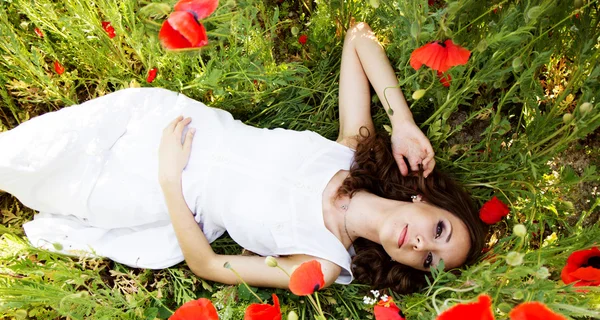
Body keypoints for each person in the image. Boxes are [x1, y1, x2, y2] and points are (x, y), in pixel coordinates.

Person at [0, 22, 485, 294]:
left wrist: (170, 180)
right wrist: (401, 121)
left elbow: (209, 265)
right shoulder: (350, 152)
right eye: (438, 230)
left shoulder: (322, 264)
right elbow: (358, 38)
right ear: (423, 197)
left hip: (155, 190)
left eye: (428, 260)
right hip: (172, 123)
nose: (422, 243)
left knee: (22, 172)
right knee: (24, 150)